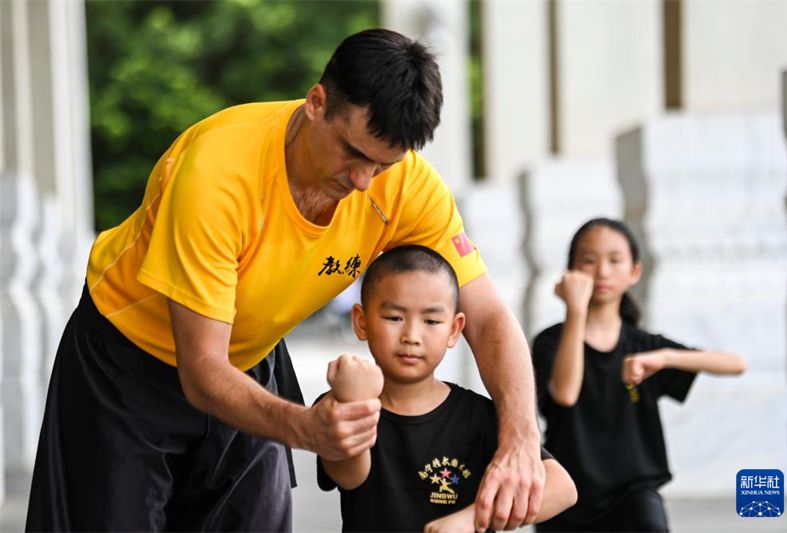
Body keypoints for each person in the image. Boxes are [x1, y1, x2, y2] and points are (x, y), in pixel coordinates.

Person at [27, 29, 544, 532]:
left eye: (383, 165)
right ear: (316, 102)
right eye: (353, 152)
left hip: (245, 360)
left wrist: (519, 438)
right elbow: (201, 366)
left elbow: (487, 314)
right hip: (127, 362)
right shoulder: (218, 173)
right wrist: (305, 428)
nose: (364, 181)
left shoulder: (408, 184)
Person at [317, 245, 577, 532]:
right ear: (361, 320)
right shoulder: (336, 405)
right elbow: (349, 475)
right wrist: (353, 401)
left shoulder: (477, 416)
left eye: (431, 321)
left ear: (454, 330)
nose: (412, 336)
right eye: (394, 318)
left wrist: (473, 518)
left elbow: (563, 489)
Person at [531, 218, 747, 532]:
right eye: (589, 261)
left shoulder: (645, 347)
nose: (602, 272)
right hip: (566, 495)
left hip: (633, 495)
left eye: (615, 260)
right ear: (572, 272)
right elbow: (565, 393)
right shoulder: (550, 342)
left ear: (634, 271)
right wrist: (575, 310)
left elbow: (736, 364)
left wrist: (665, 357)